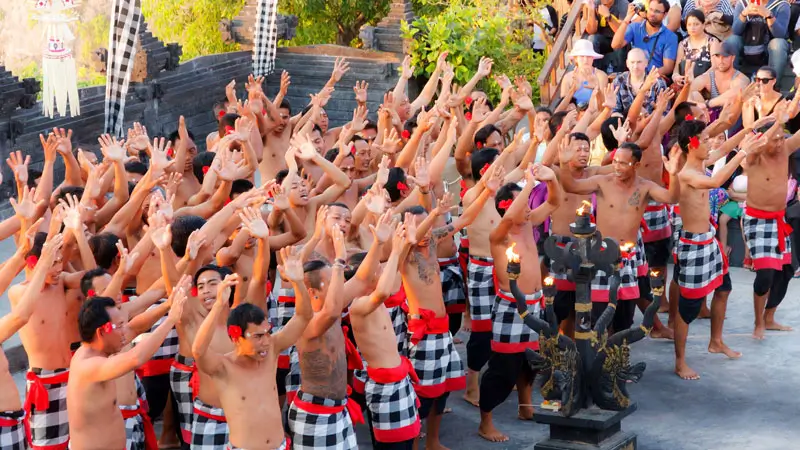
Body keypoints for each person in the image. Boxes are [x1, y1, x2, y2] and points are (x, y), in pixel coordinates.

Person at [192, 246, 312, 450]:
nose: (266, 341)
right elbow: (198, 351)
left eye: (267, 332)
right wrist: (220, 305)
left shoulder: (271, 349)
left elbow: (303, 317)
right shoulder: (223, 367)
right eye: (257, 336)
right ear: (236, 336)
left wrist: (297, 282)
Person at [559, 142, 682, 330]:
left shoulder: (645, 187)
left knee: (624, 317)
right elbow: (570, 185)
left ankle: (617, 357)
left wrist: (673, 175)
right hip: (601, 256)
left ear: (637, 165)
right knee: (598, 316)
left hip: (628, 259)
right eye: (615, 161)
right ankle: (598, 355)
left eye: (623, 163)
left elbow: (672, 198)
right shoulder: (603, 182)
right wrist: (563, 164)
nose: (617, 167)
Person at [478, 164, 561, 443]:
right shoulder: (499, 235)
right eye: (522, 201)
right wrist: (527, 184)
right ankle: (485, 421)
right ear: (508, 206)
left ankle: (525, 407)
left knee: (531, 362)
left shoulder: (528, 222)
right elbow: (514, 212)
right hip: (511, 309)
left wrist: (550, 180)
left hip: (535, 303)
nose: (528, 207)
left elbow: (554, 201)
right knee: (504, 367)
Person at [66, 281, 187, 450]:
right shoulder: (87, 365)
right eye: (120, 326)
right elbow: (135, 358)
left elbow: (135, 328)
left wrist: (167, 305)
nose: (125, 330)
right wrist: (171, 320)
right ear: (102, 332)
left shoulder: (98, 349)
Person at [674, 119, 750, 380]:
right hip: (693, 246)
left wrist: (751, 129)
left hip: (709, 240)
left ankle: (716, 341)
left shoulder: (700, 164)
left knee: (724, 289)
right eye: (704, 139)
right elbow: (718, 180)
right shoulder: (687, 174)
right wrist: (743, 152)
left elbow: (725, 147)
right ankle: (680, 361)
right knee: (688, 309)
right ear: (691, 145)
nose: (710, 143)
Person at [288, 225, 361, 449]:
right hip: (315, 415)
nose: (339, 286)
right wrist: (339, 260)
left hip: (338, 410)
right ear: (313, 292)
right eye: (331, 282)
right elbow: (330, 312)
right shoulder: (306, 321)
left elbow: (363, 279)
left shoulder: (333, 308)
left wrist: (388, 245)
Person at [350, 226, 420, 450]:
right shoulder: (359, 306)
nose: (381, 272)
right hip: (384, 384)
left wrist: (405, 243)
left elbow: (394, 270)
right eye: (375, 271)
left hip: (398, 380)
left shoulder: (371, 299)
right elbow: (382, 291)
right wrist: (396, 250)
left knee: (405, 443)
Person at [0, 232, 62, 450]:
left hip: (11, 423)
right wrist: (43, 264)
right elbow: (21, 316)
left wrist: (22, 253)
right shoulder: (19, 293)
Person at [746, 106, 800, 339]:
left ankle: (769, 317)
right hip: (757, 220)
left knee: (787, 270)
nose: (779, 143)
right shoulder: (754, 155)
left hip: (779, 220)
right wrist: (777, 122)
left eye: (782, 139)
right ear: (761, 140)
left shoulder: (785, 150)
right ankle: (758, 322)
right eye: (774, 139)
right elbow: (761, 142)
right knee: (766, 273)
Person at [612, 0, 680, 76]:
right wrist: (627, 18)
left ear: (665, 15)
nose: (652, 14)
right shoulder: (635, 27)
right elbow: (615, 44)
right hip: (634, 75)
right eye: (651, 9)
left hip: (655, 77)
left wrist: (647, 77)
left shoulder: (670, 36)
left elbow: (667, 68)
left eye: (657, 11)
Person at [730, 0, 791, 78]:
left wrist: (768, 15)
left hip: (768, 50)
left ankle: (773, 85)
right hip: (747, 47)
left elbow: (780, 34)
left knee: (778, 44)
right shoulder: (742, 4)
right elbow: (735, 31)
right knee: (732, 40)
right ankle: (732, 82)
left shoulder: (781, 5)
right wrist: (744, 14)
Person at [613, 49, 668, 116]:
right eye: (632, 62)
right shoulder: (619, 81)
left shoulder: (658, 82)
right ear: (627, 63)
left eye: (639, 62)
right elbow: (615, 111)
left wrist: (656, 111)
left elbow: (664, 114)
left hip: (650, 122)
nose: (635, 66)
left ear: (646, 63)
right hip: (624, 123)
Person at [672, 10, 719, 86]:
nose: (692, 28)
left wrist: (698, 80)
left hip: (705, 83)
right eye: (689, 25)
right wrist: (676, 77)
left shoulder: (712, 42)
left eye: (696, 24)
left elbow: (715, 67)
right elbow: (676, 69)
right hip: (685, 83)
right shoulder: (682, 44)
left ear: (703, 25)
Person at [561, 40, 609, 110]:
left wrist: (596, 89)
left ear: (593, 58)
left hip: (594, 113)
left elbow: (603, 106)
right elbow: (562, 107)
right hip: (573, 114)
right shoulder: (568, 77)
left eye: (589, 56)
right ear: (576, 59)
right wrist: (573, 89)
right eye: (582, 56)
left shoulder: (601, 76)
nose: (585, 60)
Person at [585, 0, 631, 73]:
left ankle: (619, 75)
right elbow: (591, 31)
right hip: (603, 39)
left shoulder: (623, 4)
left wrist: (608, 16)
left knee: (621, 43)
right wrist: (591, 11)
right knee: (592, 39)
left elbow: (622, 32)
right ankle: (596, 74)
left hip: (619, 40)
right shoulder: (597, 3)